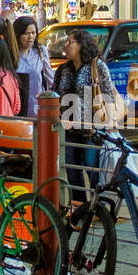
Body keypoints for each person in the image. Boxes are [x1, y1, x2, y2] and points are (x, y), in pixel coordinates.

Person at [54, 29, 117, 205]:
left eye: (70, 42)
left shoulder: (96, 66)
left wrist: (110, 120)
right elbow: (55, 93)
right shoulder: (63, 69)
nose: (66, 45)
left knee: (91, 166)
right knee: (72, 168)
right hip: (69, 126)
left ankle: (99, 207)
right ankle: (80, 206)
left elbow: (108, 93)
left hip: (92, 125)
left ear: (82, 45)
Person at [13, 16, 53, 118]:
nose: (31, 37)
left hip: (39, 108)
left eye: (33, 33)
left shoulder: (41, 51)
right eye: (26, 33)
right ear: (18, 34)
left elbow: (50, 81)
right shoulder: (11, 54)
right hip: (17, 108)